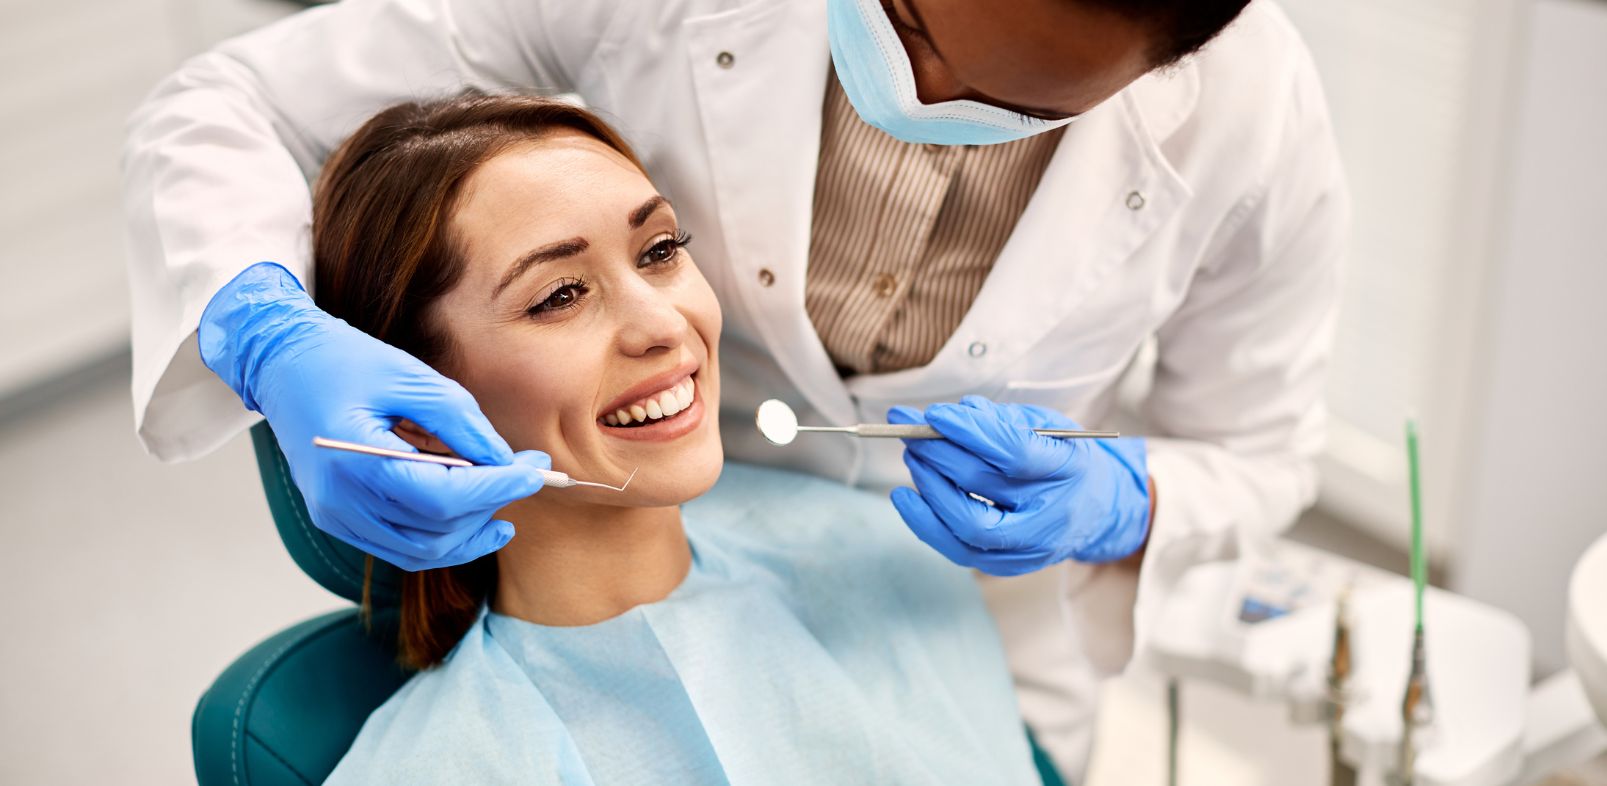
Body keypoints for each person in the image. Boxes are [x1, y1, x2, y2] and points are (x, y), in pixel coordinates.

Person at [123, 0, 1347, 773]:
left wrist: (1123, 497)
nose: (664, 320)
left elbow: (1261, 444)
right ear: (417, 369)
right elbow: (225, 104)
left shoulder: (1248, 117)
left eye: (664, 248)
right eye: (910, 25)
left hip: (951, 610)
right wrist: (267, 333)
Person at [308, 93, 1040, 785]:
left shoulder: (880, 557)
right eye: (560, 295)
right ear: (411, 411)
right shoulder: (440, 765)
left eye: (658, 250)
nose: (663, 324)